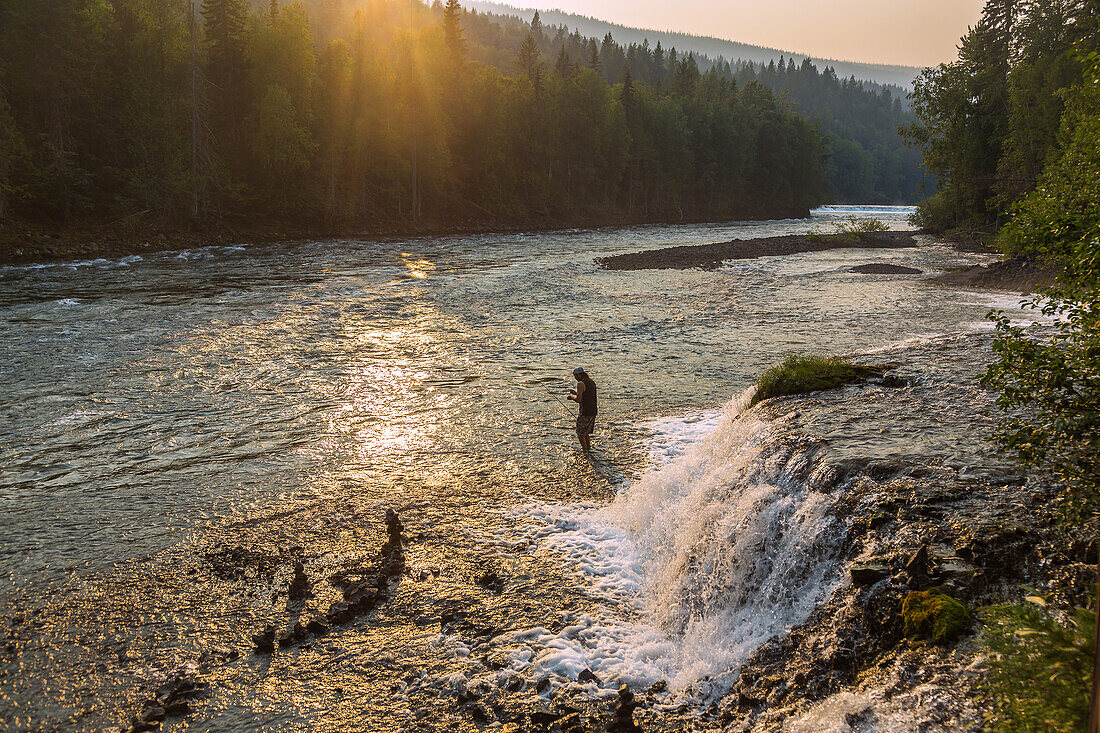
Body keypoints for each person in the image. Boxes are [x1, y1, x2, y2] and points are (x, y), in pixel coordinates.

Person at [568, 367, 597, 452]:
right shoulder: (591, 382)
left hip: (585, 412)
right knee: (586, 432)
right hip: (593, 411)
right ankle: (588, 448)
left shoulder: (580, 383)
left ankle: (584, 450)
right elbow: (587, 396)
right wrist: (576, 393)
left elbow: (579, 400)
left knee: (580, 433)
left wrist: (572, 397)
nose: (575, 378)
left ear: (579, 375)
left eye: (575, 376)